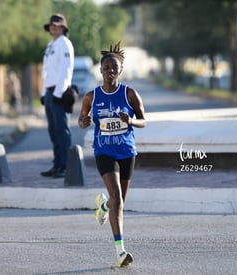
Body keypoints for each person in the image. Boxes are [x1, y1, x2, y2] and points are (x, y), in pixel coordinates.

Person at [78, 42, 146, 268]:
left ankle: (104, 206)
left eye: (114, 67)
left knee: (119, 203)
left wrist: (131, 120)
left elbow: (143, 120)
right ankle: (121, 252)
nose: (110, 71)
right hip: (104, 151)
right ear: (100, 70)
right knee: (117, 197)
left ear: (120, 70)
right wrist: (84, 121)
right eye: (106, 67)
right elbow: (81, 119)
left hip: (127, 151)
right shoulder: (91, 96)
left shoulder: (129, 94)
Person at [40, 14, 74, 178]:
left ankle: (66, 166)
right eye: (51, 25)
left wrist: (59, 93)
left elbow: (65, 70)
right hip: (49, 92)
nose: (53, 27)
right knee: (53, 132)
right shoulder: (50, 44)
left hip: (58, 92)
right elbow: (46, 72)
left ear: (63, 27)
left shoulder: (65, 44)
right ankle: (57, 165)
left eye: (57, 25)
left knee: (62, 131)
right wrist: (43, 93)